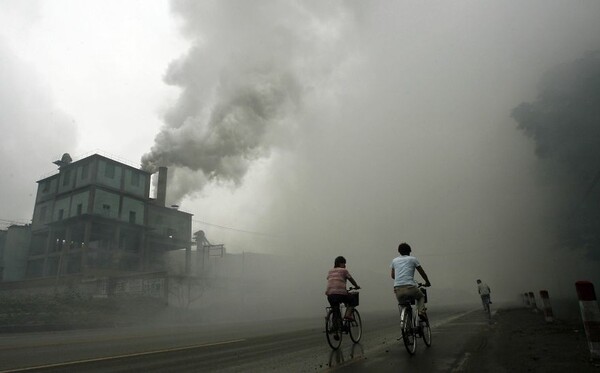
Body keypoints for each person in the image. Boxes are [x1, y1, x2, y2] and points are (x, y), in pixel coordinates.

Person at [390, 242, 431, 319]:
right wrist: (427, 282)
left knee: (403, 305)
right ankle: (421, 311)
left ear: (399, 252)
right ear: (409, 251)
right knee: (421, 296)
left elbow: (393, 276)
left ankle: (405, 323)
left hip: (397, 289)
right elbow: (422, 272)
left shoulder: (394, 260)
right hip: (410, 287)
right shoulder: (413, 259)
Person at [325, 256, 360, 325]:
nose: (345, 265)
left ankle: (335, 330)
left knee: (335, 310)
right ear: (339, 263)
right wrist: (356, 286)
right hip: (340, 294)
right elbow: (351, 279)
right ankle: (347, 315)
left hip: (330, 295)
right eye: (343, 263)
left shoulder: (330, 271)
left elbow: (329, 279)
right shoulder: (344, 271)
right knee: (352, 300)